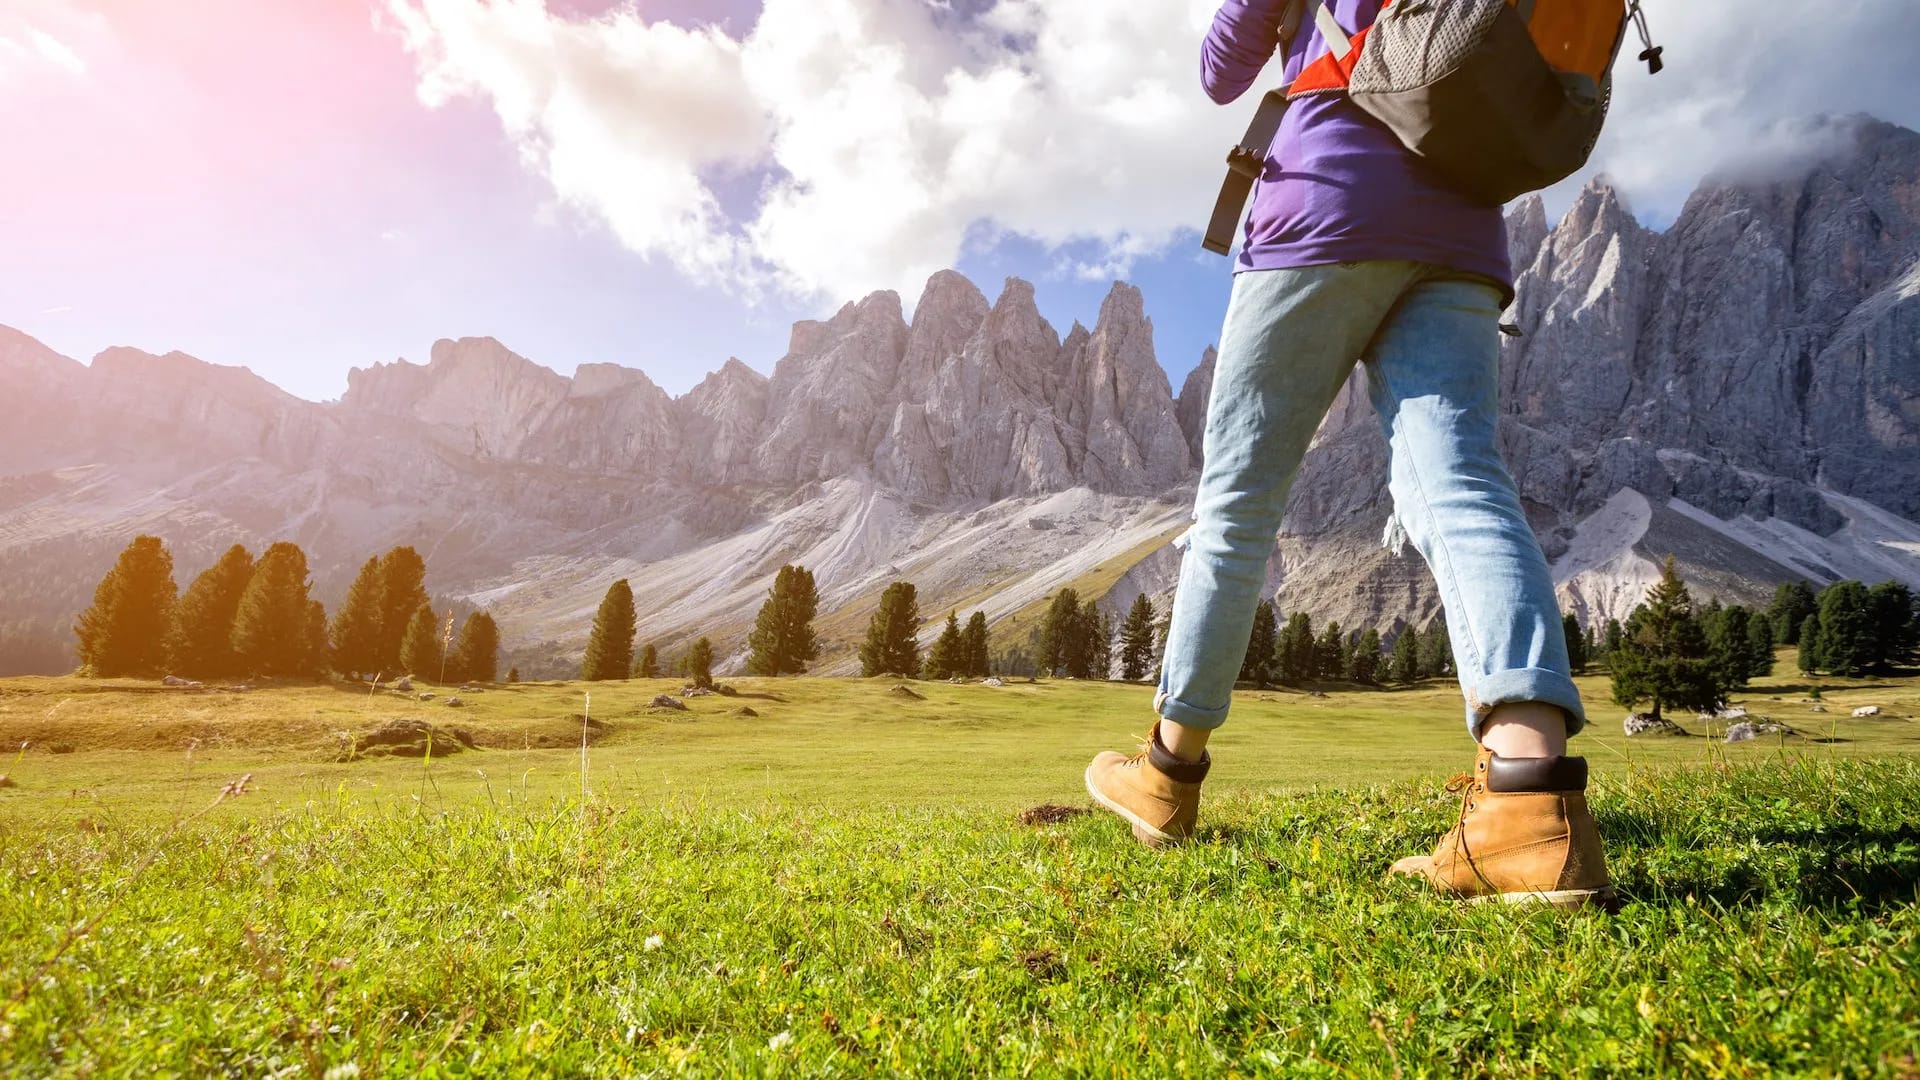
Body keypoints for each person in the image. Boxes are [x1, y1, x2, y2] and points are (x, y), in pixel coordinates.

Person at [1082, 0, 1612, 907]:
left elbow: (1220, 69)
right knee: (1465, 486)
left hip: (1320, 207)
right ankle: (1529, 800)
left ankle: (1168, 774)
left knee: (1238, 507)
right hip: (1462, 229)